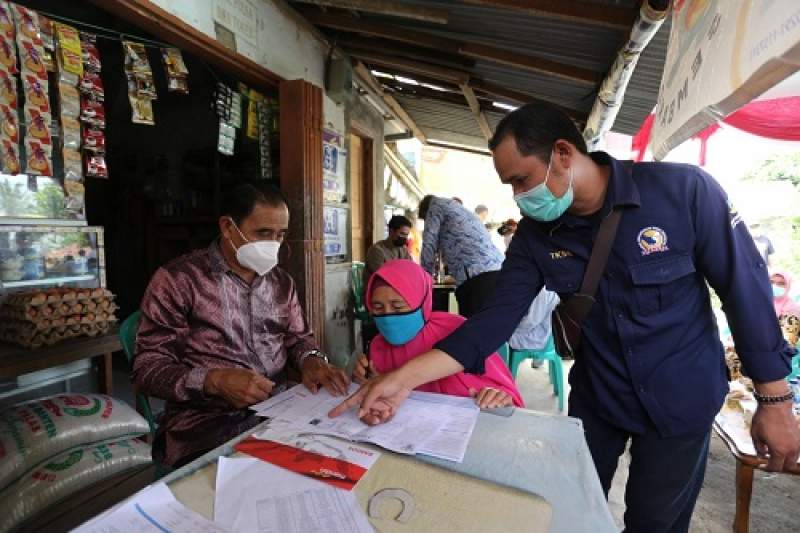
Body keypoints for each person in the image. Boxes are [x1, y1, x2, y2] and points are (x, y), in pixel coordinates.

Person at [333, 103, 800, 533]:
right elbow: (492, 322)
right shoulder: (536, 238)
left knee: (654, 522)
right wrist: (402, 379)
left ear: (562, 152)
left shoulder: (682, 192)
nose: (519, 198)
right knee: (570, 510)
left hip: (681, 399)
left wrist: (775, 400)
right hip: (600, 397)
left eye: (522, 179)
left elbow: (745, 289)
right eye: (510, 186)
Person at [133, 182, 349, 467]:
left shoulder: (281, 283)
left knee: (335, 462)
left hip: (278, 411)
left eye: (280, 235)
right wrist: (214, 381)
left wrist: (313, 360)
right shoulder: (179, 280)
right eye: (263, 233)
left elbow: (300, 339)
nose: (273, 244)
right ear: (227, 227)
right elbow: (147, 368)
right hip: (204, 425)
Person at [352, 259, 523, 408]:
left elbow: (508, 398)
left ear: (422, 302)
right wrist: (368, 381)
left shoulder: (460, 332)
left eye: (398, 307)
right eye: (378, 308)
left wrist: (497, 397)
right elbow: (383, 393)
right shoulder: (378, 346)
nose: (388, 317)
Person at [418, 195, 505, 318]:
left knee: (473, 329)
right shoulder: (458, 210)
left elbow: (429, 244)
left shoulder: (435, 205)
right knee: (492, 325)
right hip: (497, 271)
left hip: (476, 277)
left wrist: (423, 282)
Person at [363, 215, 412, 287]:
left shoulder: (403, 249)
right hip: (377, 293)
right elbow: (385, 277)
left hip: (395, 290)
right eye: (402, 234)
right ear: (391, 231)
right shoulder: (376, 250)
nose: (404, 238)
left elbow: (411, 269)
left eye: (406, 235)